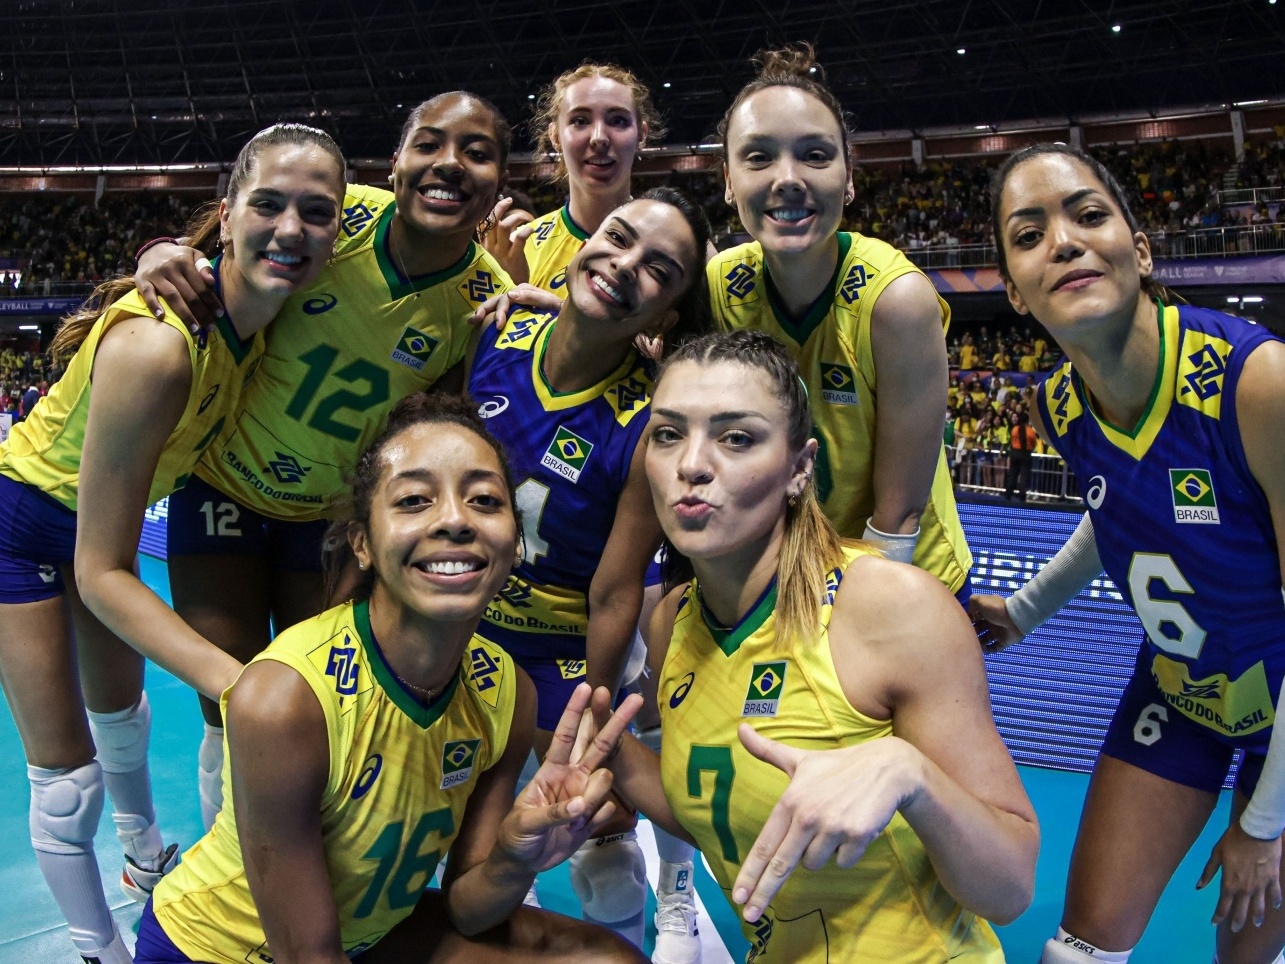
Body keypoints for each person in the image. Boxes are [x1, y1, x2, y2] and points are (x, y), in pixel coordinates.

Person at [136, 393, 647, 964]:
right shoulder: (285, 699)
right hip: (220, 952)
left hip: (372, 933)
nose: (454, 520)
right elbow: (308, 956)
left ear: (514, 540)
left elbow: (466, 909)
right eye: (413, 500)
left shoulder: (506, 689)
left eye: (483, 499)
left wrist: (514, 857)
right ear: (362, 542)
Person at [0, 123, 347, 964]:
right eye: (268, 205)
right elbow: (101, 569)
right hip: (26, 530)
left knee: (124, 720)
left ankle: (147, 857)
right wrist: (244, 687)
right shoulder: (160, 348)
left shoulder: (260, 321)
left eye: (317, 212)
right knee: (66, 784)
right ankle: (99, 949)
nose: (292, 229)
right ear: (224, 217)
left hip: (93, 532)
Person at [585, 329, 1038, 962]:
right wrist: (598, 751)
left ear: (800, 469)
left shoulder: (889, 606)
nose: (692, 463)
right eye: (668, 434)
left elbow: (1010, 886)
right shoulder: (671, 625)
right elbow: (720, 808)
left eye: (736, 436)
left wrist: (911, 776)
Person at [133, 91, 513, 832]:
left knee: (319, 701)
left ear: (501, 180)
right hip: (225, 490)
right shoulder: (334, 213)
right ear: (397, 159)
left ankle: (320, 857)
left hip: (331, 521)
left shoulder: (483, 307)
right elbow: (225, 241)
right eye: (429, 143)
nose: (448, 164)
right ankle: (231, 866)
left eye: (477, 151)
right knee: (227, 704)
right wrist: (157, 249)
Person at [969, 143, 1285, 964]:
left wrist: (1262, 822)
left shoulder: (1256, 385)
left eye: (1087, 214)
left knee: (1243, 957)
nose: (1064, 242)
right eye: (1029, 234)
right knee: (1075, 952)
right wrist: (1025, 609)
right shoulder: (1058, 406)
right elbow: (1115, 513)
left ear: (1138, 249)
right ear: (1013, 290)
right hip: (1183, 692)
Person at [467, 187, 711, 952]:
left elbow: (614, 590)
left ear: (665, 315)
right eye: (617, 237)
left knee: (603, 850)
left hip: (556, 650)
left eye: (658, 269)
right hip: (457, 636)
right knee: (457, 836)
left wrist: (588, 712)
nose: (623, 265)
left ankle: (655, 913)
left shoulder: (645, 424)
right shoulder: (494, 333)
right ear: (580, 239)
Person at [707, 43, 973, 603]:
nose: (787, 178)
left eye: (815, 155)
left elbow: (897, 517)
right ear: (727, 181)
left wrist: (846, 620)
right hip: (790, 569)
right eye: (758, 157)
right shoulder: (719, 285)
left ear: (849, 178)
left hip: (902, 568)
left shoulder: (896, 301)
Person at [483, 63, 663, 292]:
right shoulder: (517, 248)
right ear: (555, 136)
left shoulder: (679, 248)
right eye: (580, 121)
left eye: (618, 120)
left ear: (642, 134)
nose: (599, 138)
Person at [1003, 410, 1036, 502]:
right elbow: (1034, 443)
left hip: (1015, 453)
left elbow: (1012, 441)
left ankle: (1008, 493)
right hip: (1025, 454)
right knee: (1024, 475)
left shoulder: (1015, 429)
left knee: (1013, 474)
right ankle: (1022, 495)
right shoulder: (1030, 431)